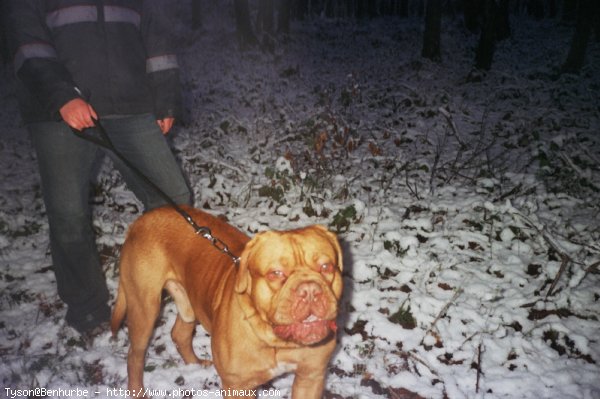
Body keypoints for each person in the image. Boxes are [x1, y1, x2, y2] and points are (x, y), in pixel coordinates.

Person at [6, 0, 192, 335]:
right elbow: (25, 36)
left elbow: (156, 30)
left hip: (131, 102)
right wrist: (62, 95)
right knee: (69, 215)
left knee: (173, 197)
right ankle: (87, 308)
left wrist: (165, 95)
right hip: (60, 109)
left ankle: (166, 281)